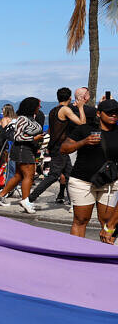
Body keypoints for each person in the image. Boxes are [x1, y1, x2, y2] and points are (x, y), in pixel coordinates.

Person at [65, 98, 118, 239]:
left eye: (116, 113)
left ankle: (105, 256)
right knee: (81, 220)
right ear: (99, 114)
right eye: (110, 113)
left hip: (109, 184)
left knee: (108, 222)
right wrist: (83, 142)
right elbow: (64, 148)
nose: (114, 115)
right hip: (83, 182)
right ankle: (76, 256)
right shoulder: (85, 129)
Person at [31, 87, 87, 205]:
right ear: (70, 97)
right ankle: (30, 198)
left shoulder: (53, 110)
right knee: (54, 175)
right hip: (60, 147)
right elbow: (82, 123)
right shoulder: (65, 110)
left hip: (55, 145)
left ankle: (74, 202)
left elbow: (52, 129)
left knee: (68, 174)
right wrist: (81, 107)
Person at [0, 97, 44, 213]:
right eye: (38, 105)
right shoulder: (23, 119)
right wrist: (34, 138)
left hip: (26, 149)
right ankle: (26, 201)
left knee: (19, 175)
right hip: (23, 149)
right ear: (32, 107)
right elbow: (17, 136)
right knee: (29, 175)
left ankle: (1, 195)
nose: (39, 107)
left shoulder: (30, 118)